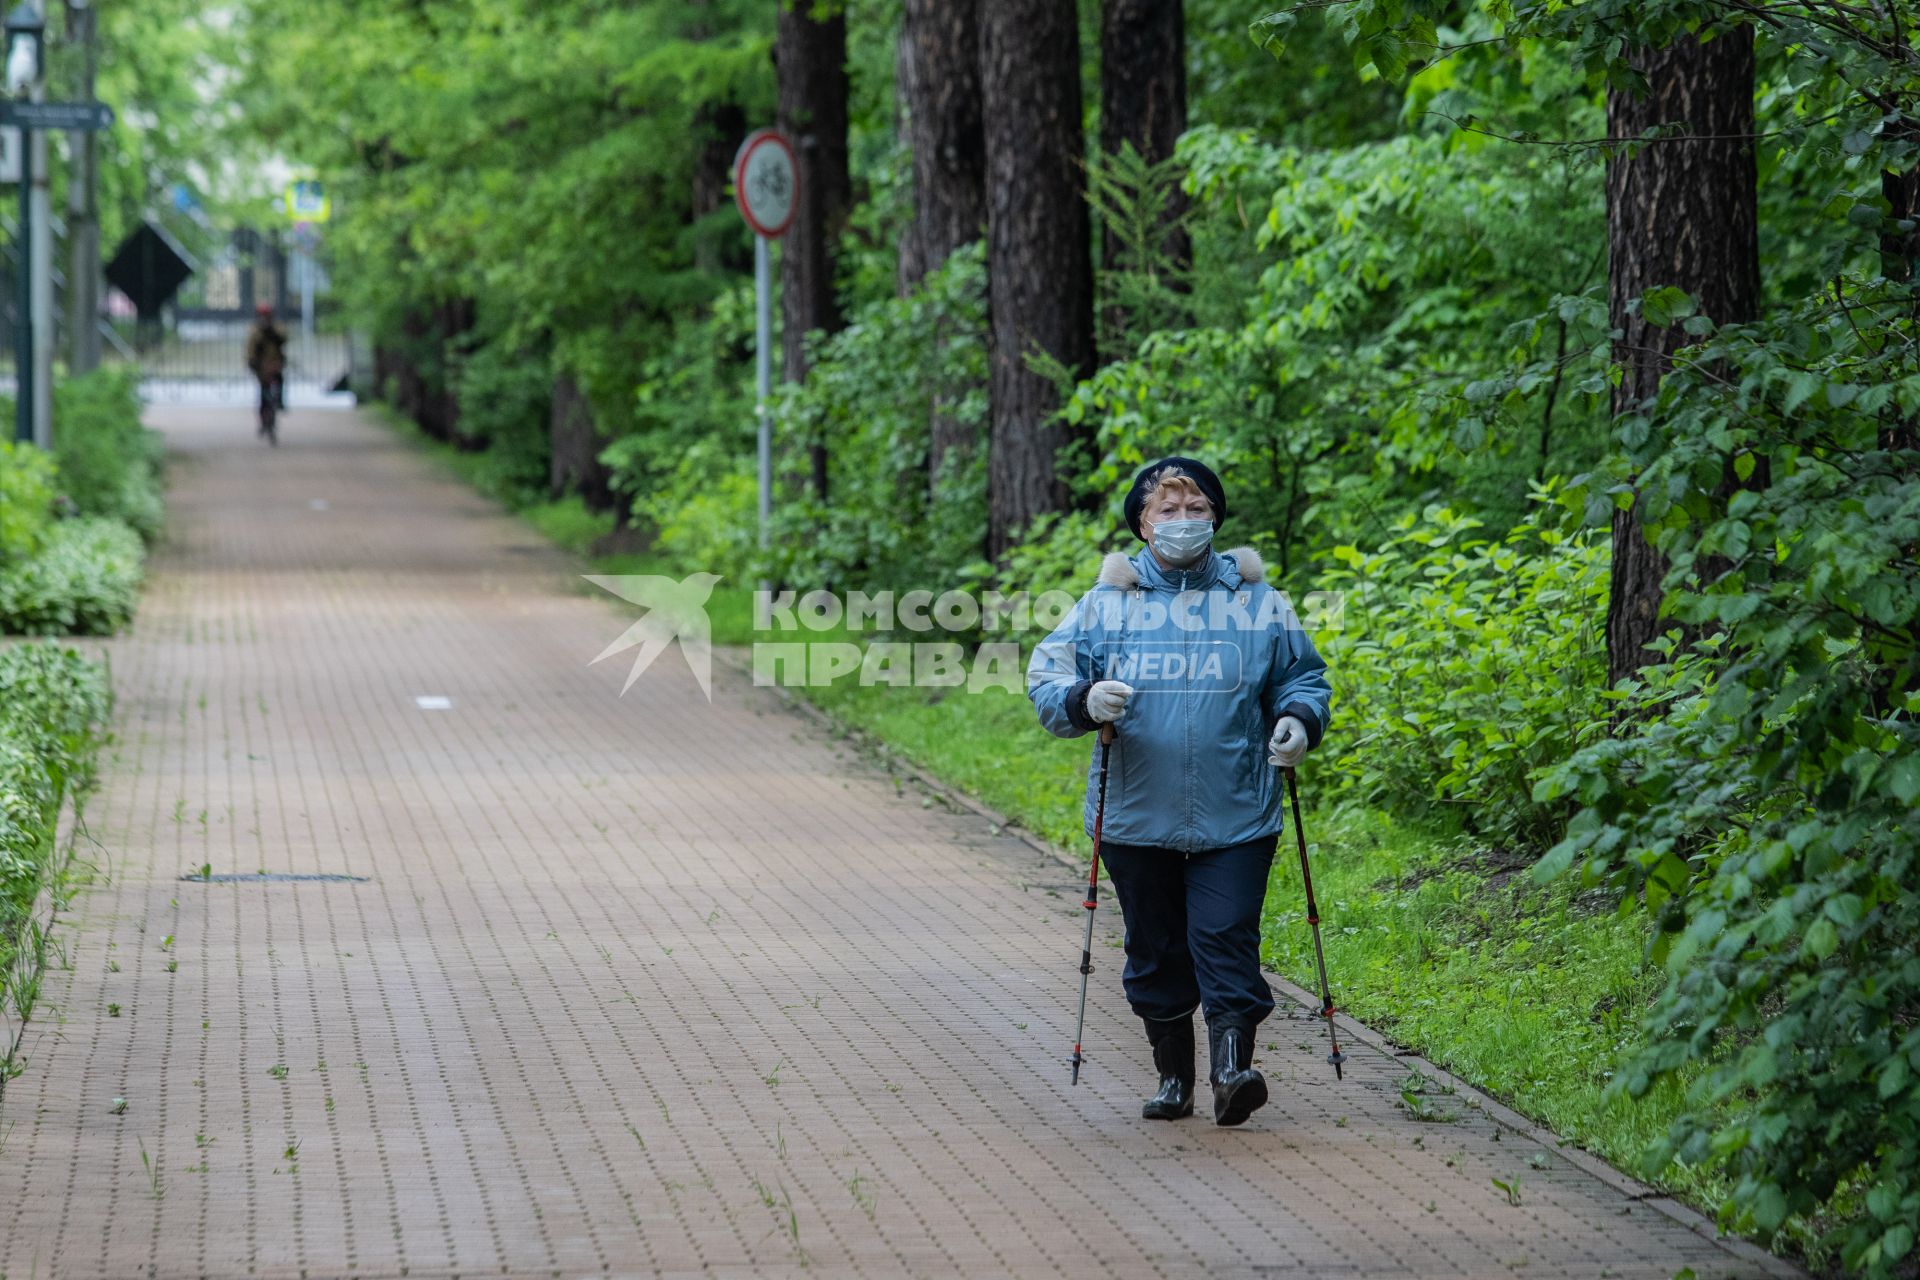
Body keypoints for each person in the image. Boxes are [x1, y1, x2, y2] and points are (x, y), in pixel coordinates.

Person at [1027, 457, 1332, 1126]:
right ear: (1142, 522)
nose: (1184, 522)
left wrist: (1297, 721)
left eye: (1196, 510)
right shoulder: (1104, 605)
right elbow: (1045, 684)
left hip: (1239, 810)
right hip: (1136, 814)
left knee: (1225, 936)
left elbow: (1303, 678)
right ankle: (1175, 1079)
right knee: (1156, 948)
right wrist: (1084, 698)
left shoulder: (1258, 601)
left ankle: (1232, 1072)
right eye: (1168, 510)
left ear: (1216, 518)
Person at [244, 303, 288, 435]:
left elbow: (284, 339)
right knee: (263, 393)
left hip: (275, 362)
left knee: (279, 380)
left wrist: (272, 332)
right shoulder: (255, 330)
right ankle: (264, 421)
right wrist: (252, 362)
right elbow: (250, 348)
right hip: (261, 365)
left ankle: (280, 401)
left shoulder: (277, 327)